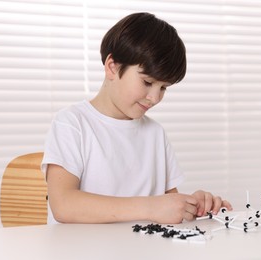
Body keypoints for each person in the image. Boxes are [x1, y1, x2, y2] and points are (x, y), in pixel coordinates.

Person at [41, 12, 232, 225]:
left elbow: (168, 206)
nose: (155, 98)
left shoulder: (155, 134)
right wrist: (151, 207)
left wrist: (192, 205)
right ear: (112, 66)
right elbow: (64, 205)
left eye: (164, 88)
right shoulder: (72, 124)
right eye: (147, 82)